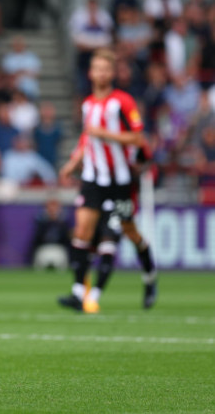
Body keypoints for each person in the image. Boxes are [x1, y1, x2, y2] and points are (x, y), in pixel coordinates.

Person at [58, 49, 157, 313]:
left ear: (112, 74)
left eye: (105, 69)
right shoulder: (87, 104)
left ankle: (149, 275)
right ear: (90, 73)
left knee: (128, 232)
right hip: (92, 178)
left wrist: (105, 133)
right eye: (96, 68)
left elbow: (138, 138)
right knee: (82, 232)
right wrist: (72, 164)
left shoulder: (123, 102)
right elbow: (87, 139)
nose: (100, 73)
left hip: (120, 182)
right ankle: (79, 294)